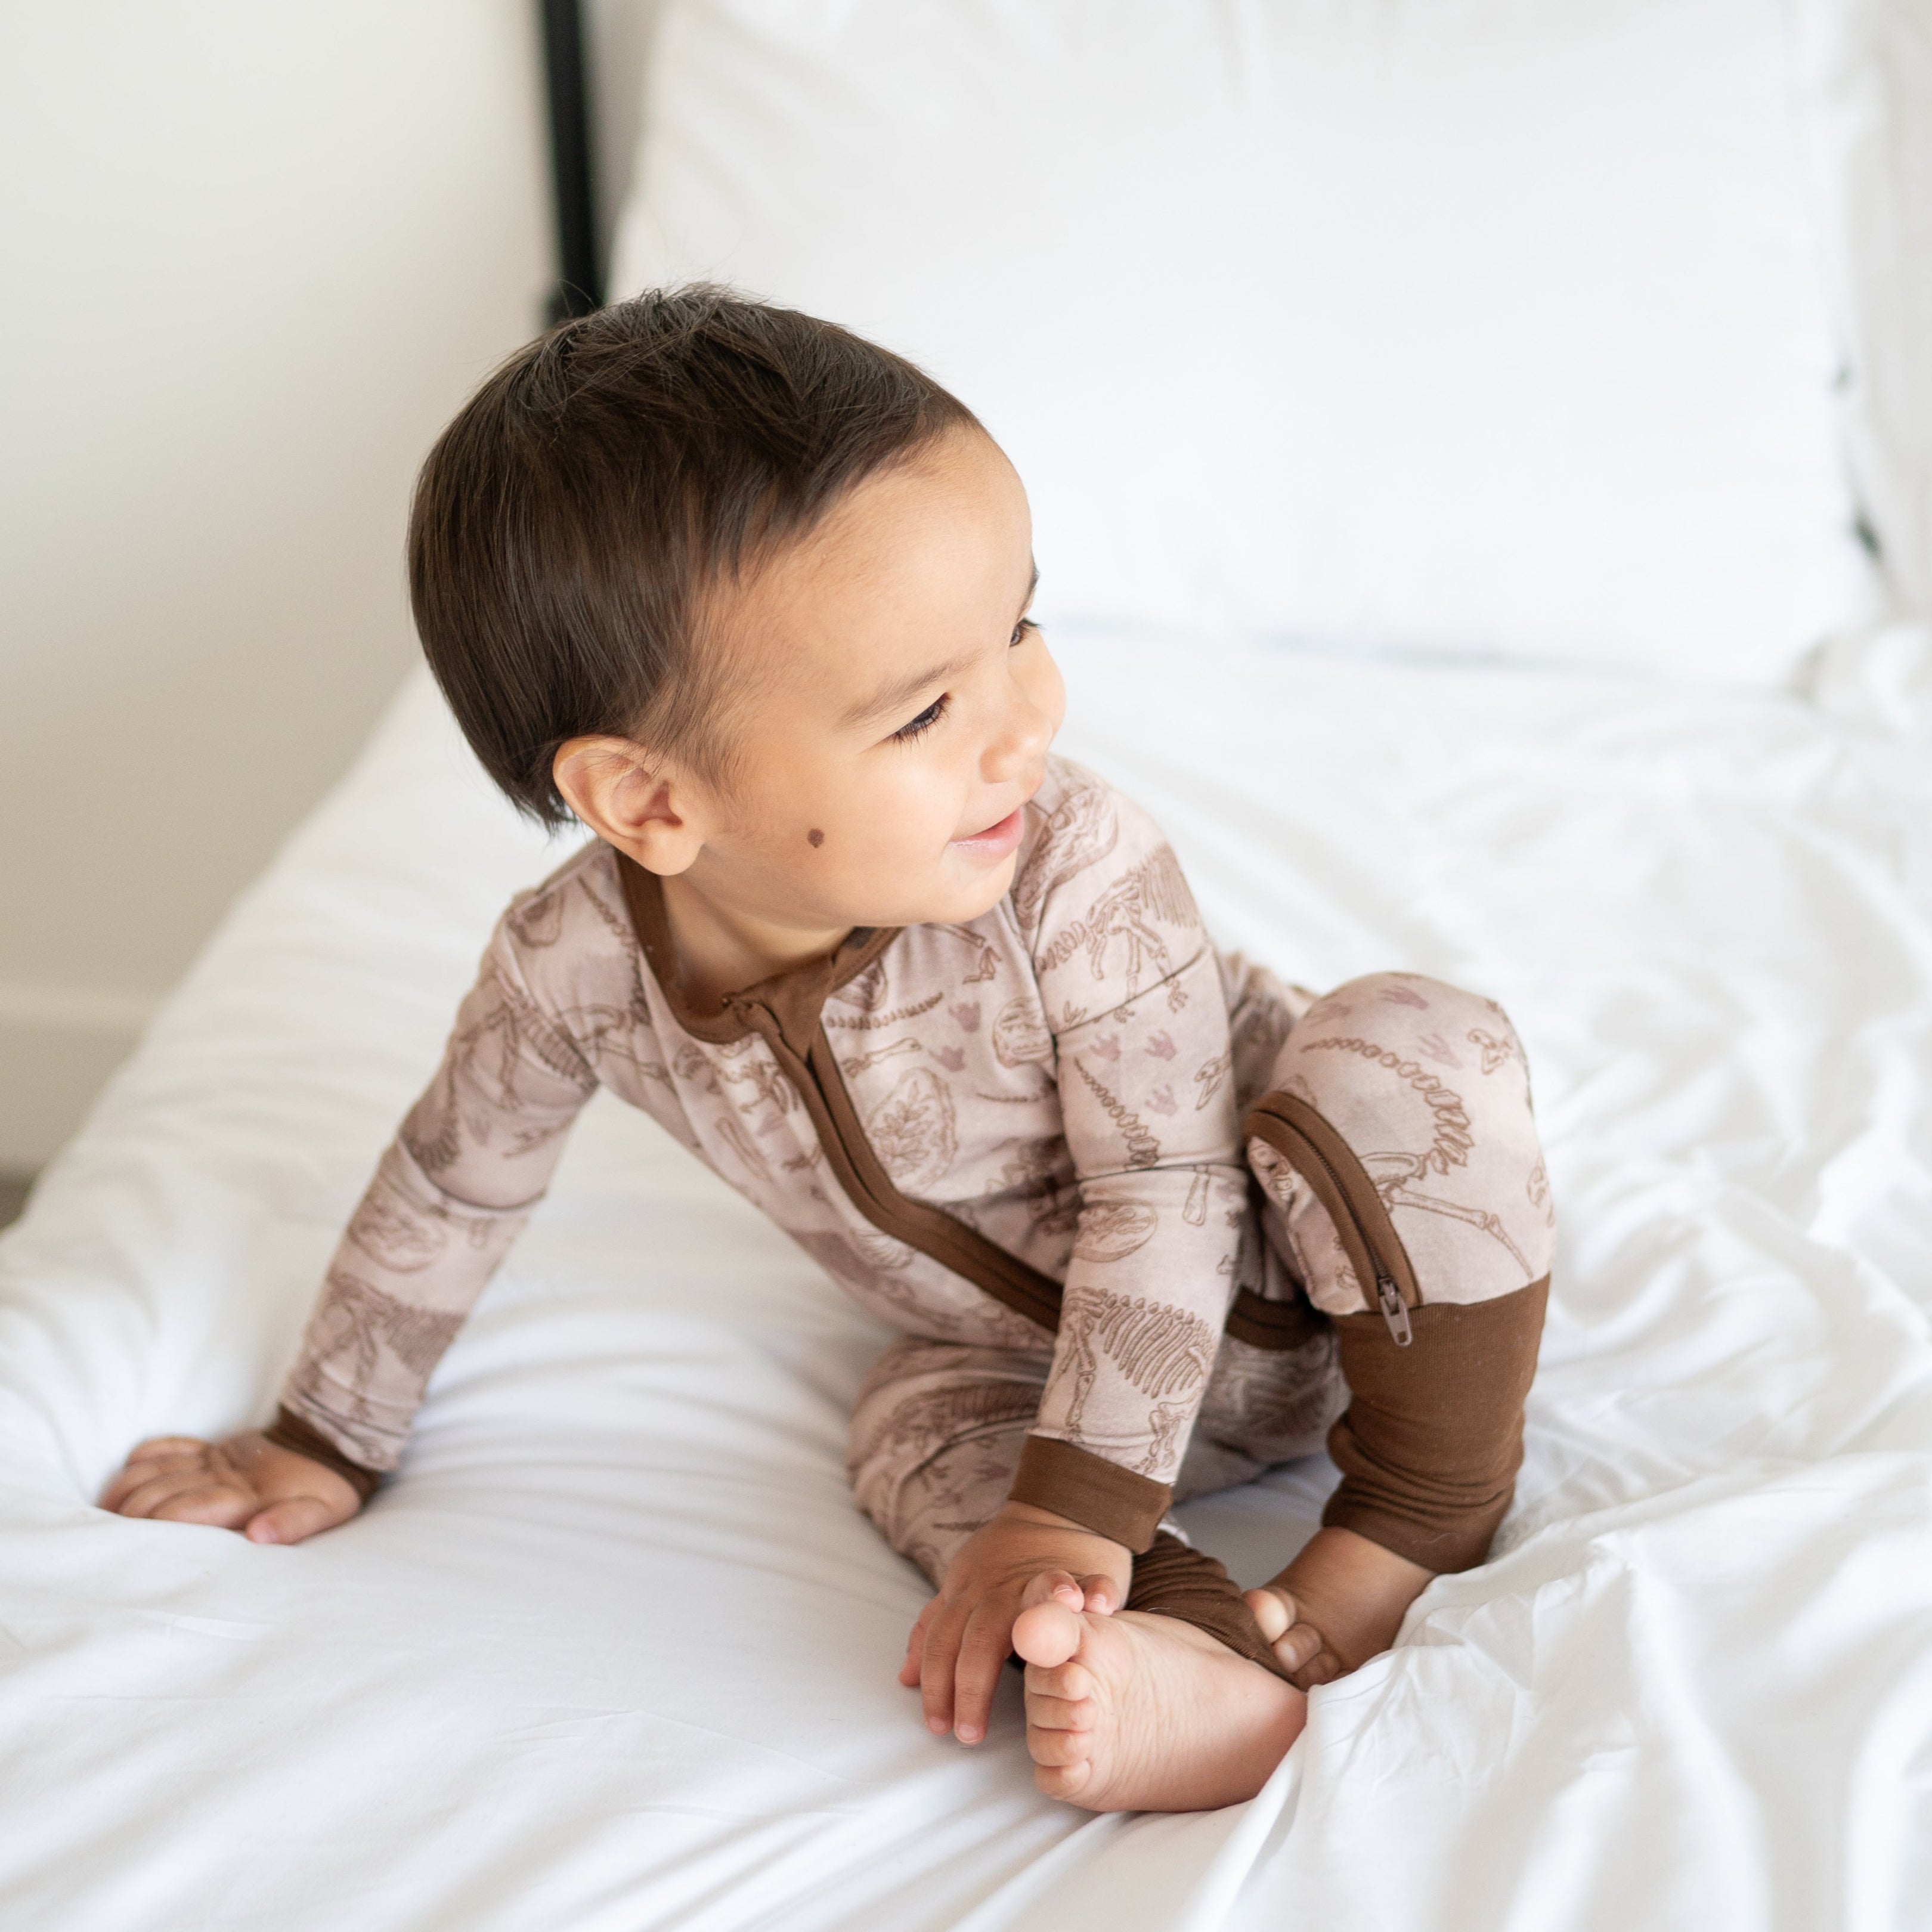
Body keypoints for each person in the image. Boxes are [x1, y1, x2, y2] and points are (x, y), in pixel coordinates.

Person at [101, 289, 1553, 1814]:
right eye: (929, 709)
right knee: (909, 1438)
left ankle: (1409, 1523)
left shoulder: (1074, 865)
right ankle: (1170, 1652)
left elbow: (1169, 1189)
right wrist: (322, 1435)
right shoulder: (571, 970)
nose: (1024, 727)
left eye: (1022, 627)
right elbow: (454, 1190)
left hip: (1317, 1257)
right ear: (651, 805)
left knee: (1413, 1049)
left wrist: (1078, 1503)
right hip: (1024, 1360)